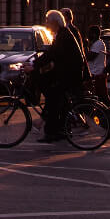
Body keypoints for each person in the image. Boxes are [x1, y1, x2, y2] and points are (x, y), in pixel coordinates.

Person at [36, 9, 88, 143]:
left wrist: (35, 65)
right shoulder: (62, 34)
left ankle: (52, 132)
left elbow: (52, 54)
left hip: (69, 74)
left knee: (53, 96)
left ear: (55, 22)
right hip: (68, 72)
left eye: (48, 21)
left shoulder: (63, 35)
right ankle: (60, 129)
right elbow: (53, 54)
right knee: (59, 100)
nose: (47, 24)